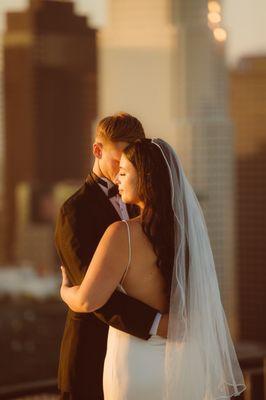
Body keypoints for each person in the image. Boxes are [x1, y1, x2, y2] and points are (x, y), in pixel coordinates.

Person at [60, 138, 246, 400]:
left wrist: (66, 290)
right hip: (186, 365)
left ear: (145, 177)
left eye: (124, 173)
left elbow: (88, 300)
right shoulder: (189, 233)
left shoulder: (121, 234)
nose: (117, 180)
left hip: (135, 367)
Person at [55, 113, 168, 400]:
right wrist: (157, 324)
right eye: (119, 159)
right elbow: (95, 296)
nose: (124, 170)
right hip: (91, 356)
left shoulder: (142, 204)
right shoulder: (74, 211)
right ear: (97, 150)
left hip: (143, 358)